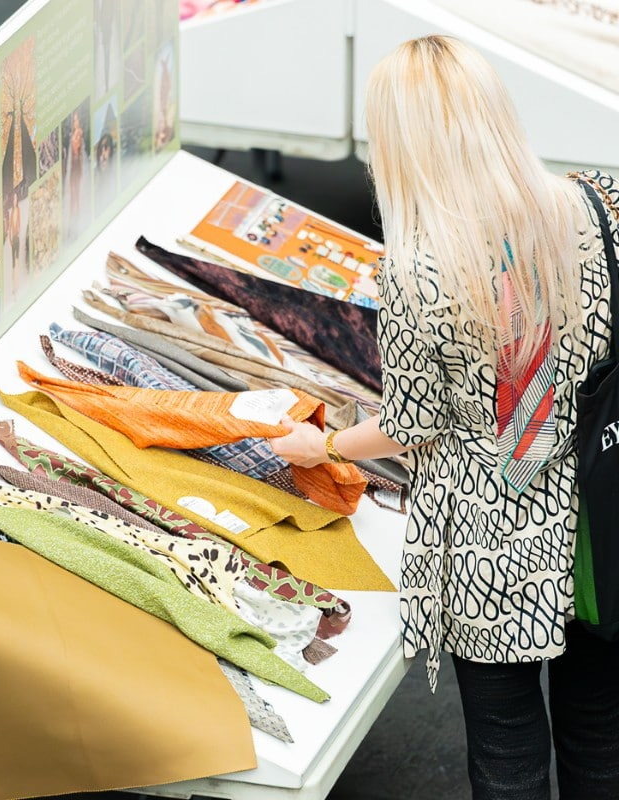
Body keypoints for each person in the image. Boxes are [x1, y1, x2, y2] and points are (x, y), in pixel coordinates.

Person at [268, 35, 619, 800]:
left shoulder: (419, 267)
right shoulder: (599, 205)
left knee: (507, 752)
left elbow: (410, 423)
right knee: (603, 737)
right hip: (599, 511)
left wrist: (320, 440)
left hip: (490, 532)